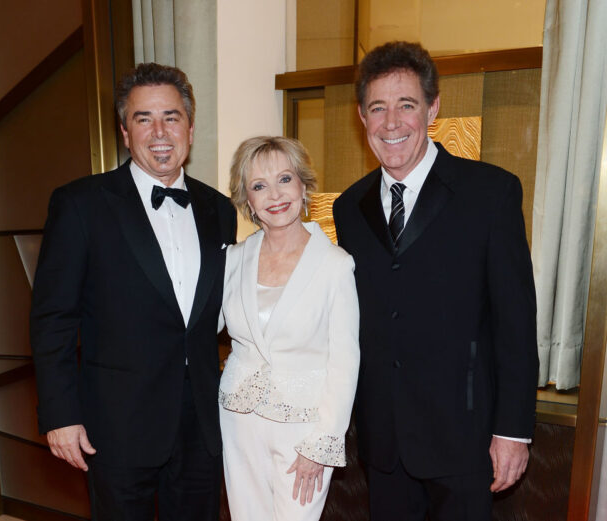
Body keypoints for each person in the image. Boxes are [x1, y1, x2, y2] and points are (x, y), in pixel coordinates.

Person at [332, 41, 539, 521]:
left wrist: (513, 431)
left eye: (407, 105)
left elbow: (515, 321)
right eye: (377, 108)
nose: (391, 122)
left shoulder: (491, 192)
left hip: (466, 440)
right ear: (362, 117)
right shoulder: (348, 207)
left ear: (433, 108)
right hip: (383, 443)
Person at [30, 63, 237, 521]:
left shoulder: (218, 208)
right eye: (144, 119)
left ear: (190, 127)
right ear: (125, 132)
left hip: (201, 424)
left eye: (172, 117)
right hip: (117, 424)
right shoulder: (80, 204)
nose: (160, 132)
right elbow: (53, 318)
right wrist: (60, 414)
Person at [218, 136, 360, 521]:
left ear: (303, 184)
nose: (275, 195)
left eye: (284, 179)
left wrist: (322, 443)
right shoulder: (233, 259)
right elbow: (197, 327)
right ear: (247, 199)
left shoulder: (334, 265)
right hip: (238, 421)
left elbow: (345, 363)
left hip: (304, 431)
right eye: (259, 186)